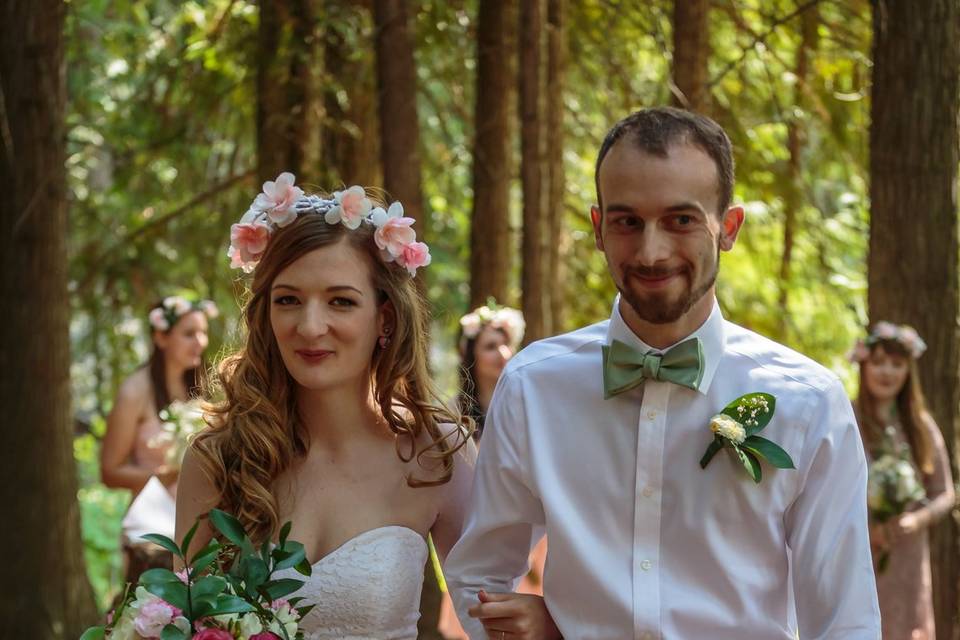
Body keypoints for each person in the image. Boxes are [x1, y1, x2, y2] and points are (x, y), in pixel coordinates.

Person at [444, 107, 881, 639]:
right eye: (629, 221)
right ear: (600, 228)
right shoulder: (534, 386)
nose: (651, 252)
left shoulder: (808, 401)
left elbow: (844, 621)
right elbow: (478, 575)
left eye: (681, 220)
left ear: (729, 228)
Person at [175, 174, 482, 639]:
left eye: (340, 301)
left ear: (384, 317)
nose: (310, 326)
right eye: (288, 300)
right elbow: (181, 617)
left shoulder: (437, 454)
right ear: (266, 315)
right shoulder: (217, 458)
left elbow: (489, 620)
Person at [438, 303, 541, 640]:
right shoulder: (453, 417)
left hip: (528, 533)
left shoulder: (529, 410)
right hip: (475, 537)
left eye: (505, 343)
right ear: (471, 355)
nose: (502, 353)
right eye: (489, 346)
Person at [850, 322, 956, 640]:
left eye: (897, 364)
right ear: (864, 365)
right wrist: (866, 529)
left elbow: (945, 493)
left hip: (908, 555)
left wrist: (917, 519)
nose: (887, 372)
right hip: (860, 551)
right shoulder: (847, 418)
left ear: (909, 371)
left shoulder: (920, 426)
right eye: (879, 362)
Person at [101, 295, 215, 580]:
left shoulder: (202, 388)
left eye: (203, 332)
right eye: (189, 334)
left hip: (202, 521)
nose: (200, 341)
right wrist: (164, 476)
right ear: (161, 337)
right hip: (152, 530)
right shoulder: (134, 392)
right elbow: (110, 472)